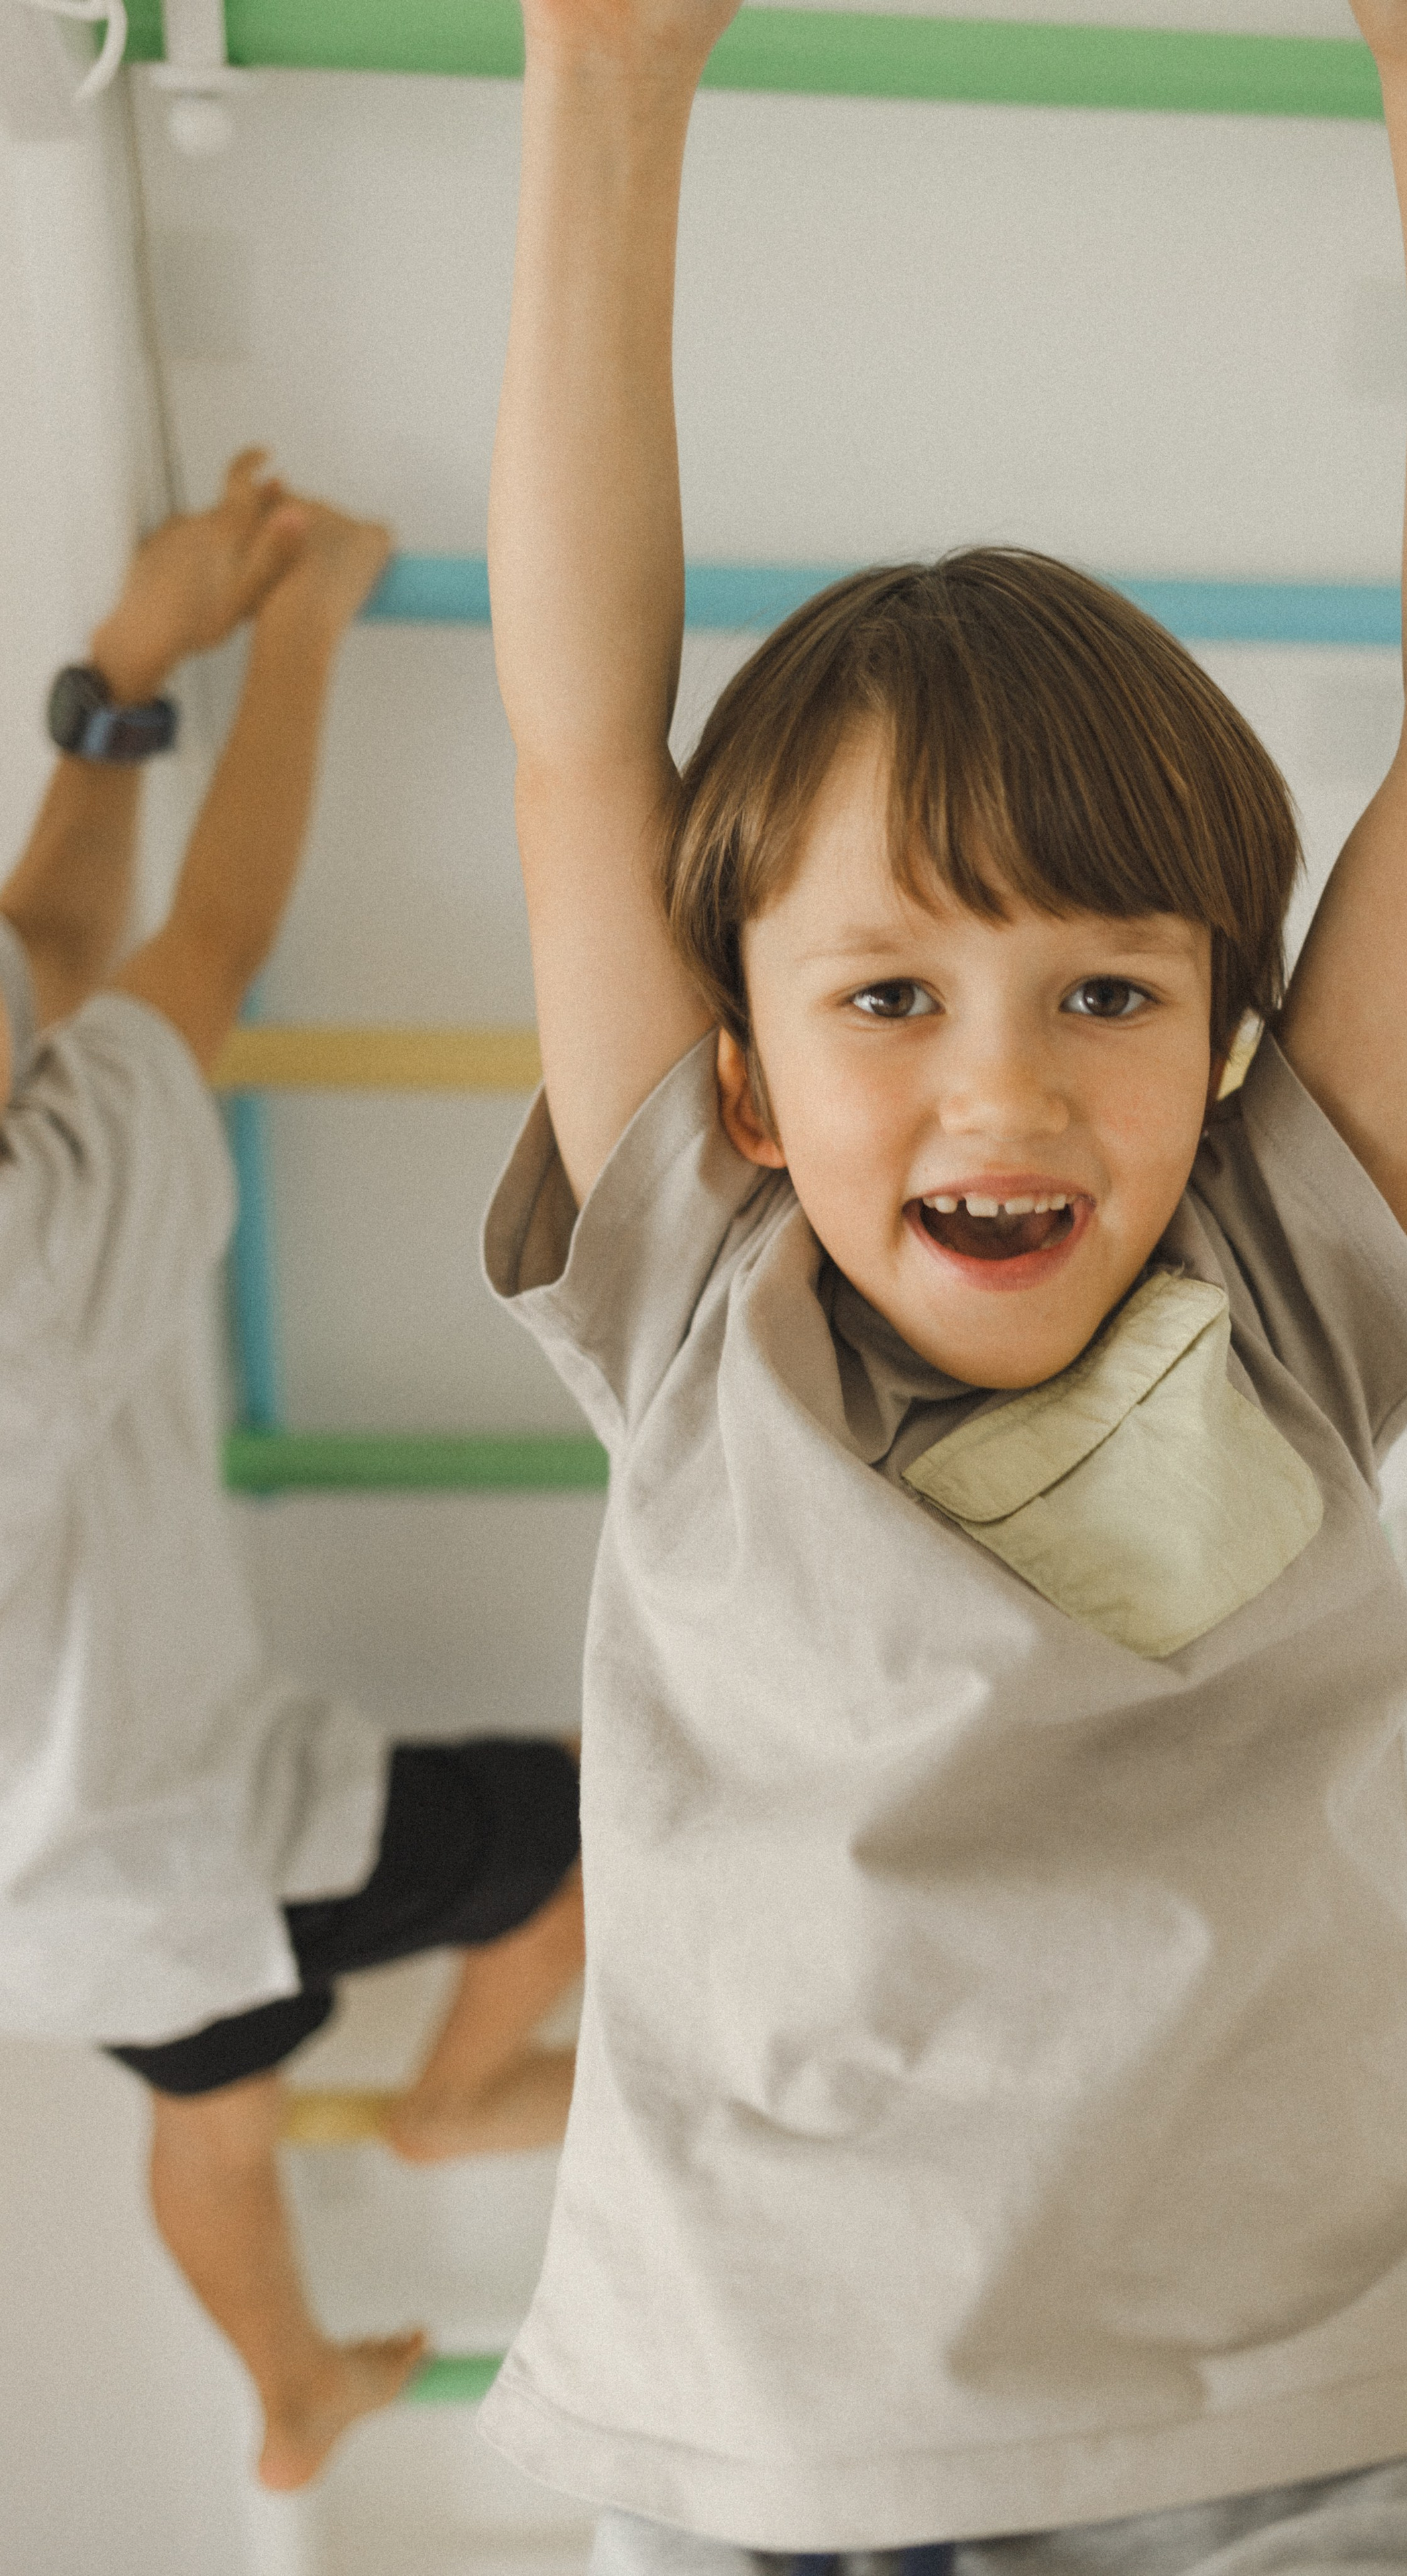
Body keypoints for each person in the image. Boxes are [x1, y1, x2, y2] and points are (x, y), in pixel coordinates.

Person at [476, 1, 1407, 2571]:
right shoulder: (698, 1306)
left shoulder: (1290, 1285)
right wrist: (602, 87)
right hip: (771, 2477)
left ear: (1224, 1041)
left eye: (1109, 991)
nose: (1007, 1091)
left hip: (1296, 2466)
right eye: (892, 999)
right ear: (745, 1084)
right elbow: (574, 735)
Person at [0, 452, 586, 2492]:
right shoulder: (38, 1257)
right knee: (594, 1837)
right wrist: (303, 628)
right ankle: (458, 2099)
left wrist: (128, 665)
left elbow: (43, 952)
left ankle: (291, 2387)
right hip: (177, 1834)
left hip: (42, 1870)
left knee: (209, 2108)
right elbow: (198, 945)